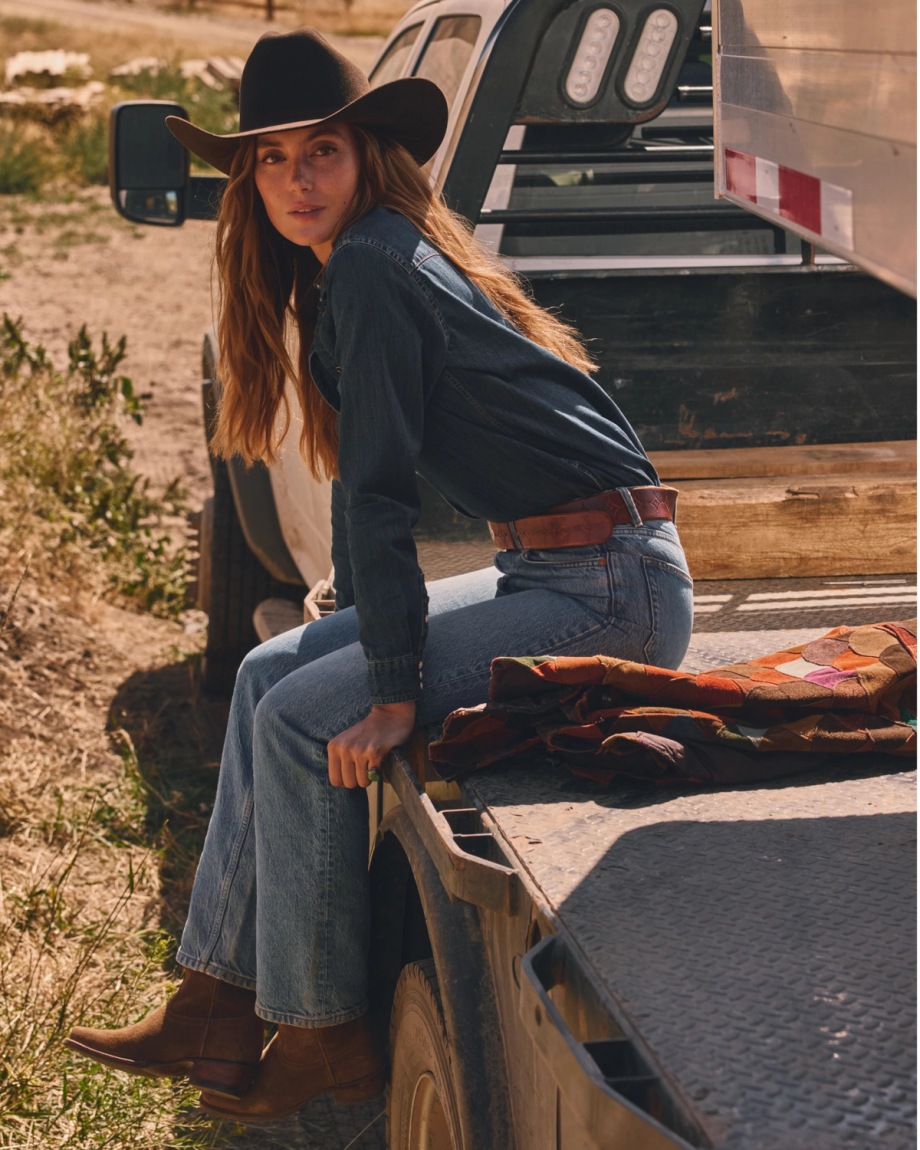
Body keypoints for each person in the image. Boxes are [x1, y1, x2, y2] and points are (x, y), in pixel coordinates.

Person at [64, 27, 694, 1123]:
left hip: (608, 587)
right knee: (268, 672)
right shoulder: (354, 265)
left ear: (368, 159)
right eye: (271, 159)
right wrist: (354, 621)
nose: (297, 180)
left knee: (308, 718)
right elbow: (372, 489)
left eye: (321, 152)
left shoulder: (367, 263)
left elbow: (379, 495)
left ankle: (323, 1036)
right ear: (247, 182)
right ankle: (213, 1000)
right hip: (568, 568)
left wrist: (391, 684)